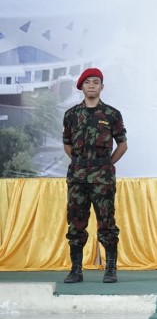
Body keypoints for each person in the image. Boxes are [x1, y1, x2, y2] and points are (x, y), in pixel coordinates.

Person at [62, 68, 128, 283]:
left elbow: (122, 145)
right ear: (81, 86)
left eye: (96, 82)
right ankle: (76, 269)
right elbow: (68, 146)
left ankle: (110, 268)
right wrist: (83, 164)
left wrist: (106, 164)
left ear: (102, 87)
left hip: (103, 177)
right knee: (76, 222)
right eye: (87, 82)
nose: (91, 85)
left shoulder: (111, 114)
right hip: (78, 177)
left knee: (106, 222)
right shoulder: (71, 115)